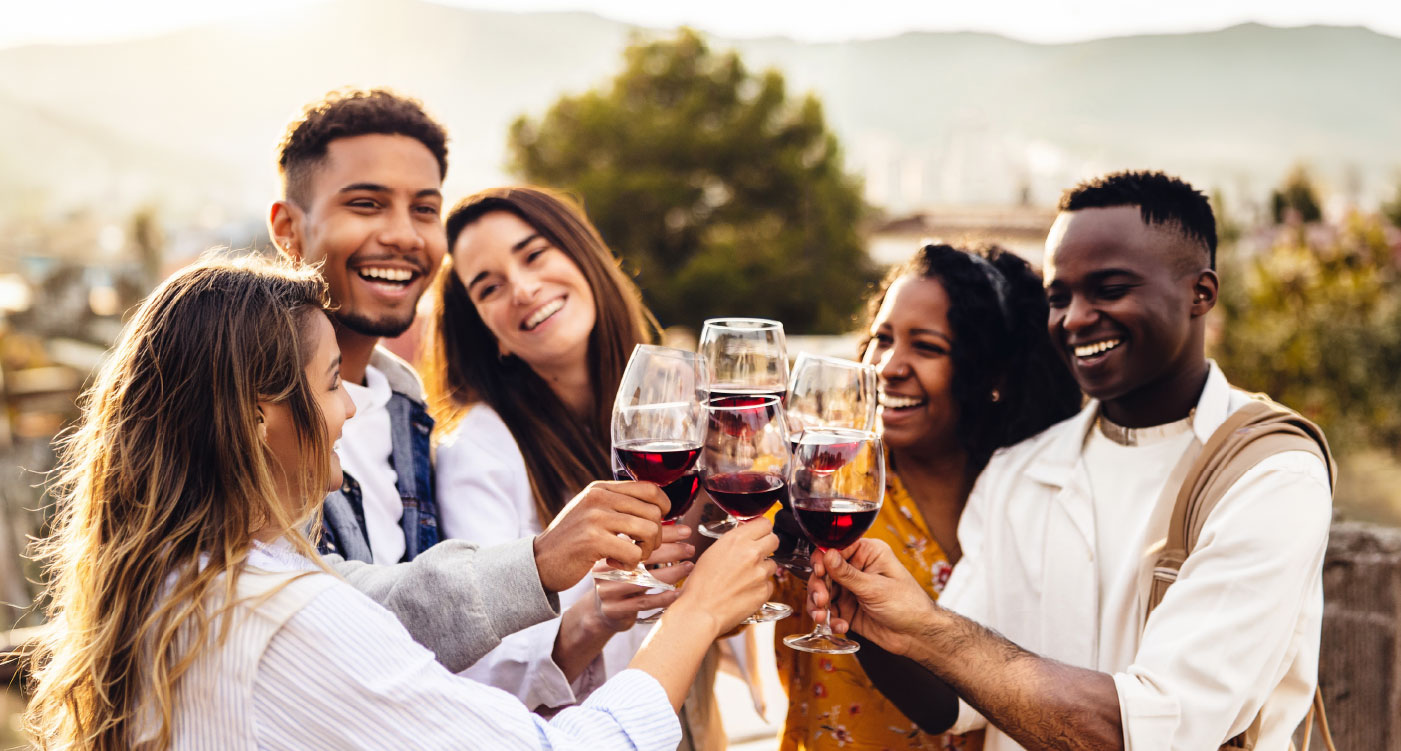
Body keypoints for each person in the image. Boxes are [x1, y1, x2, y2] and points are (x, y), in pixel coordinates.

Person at [25, 257, 780, 750]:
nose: (350, 412)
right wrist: (697, 614)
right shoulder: (280, 615)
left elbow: (397, 639)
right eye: (330, 385)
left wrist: (554, 578)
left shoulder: (179, 577)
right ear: (259, 418)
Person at [808, 171, 1333, 750]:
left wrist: (929, 630)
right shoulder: (1020, 469)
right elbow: (951, 699)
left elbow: (1151, 730)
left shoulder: (1269, 474)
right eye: (1060, 297)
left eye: (1108, 289)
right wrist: (865, 610)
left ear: (1200, 293)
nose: (1076, 318)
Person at [266, 90, 679, 674]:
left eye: (425, 209)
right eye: (366, 204)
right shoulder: (251, 410)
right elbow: (321, 616)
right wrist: (542, 565)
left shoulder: (405, 412)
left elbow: (435, 663)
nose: (404, 235)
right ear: (289, 228)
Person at [421, 186, 721, 737]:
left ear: (584, 257)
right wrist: (594, 616)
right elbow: (485, 672)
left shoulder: (675, 409)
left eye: (534, 255)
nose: (524, 288)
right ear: (491, 334)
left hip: (686, 719)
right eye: (489, 287)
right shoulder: (479, 448)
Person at [771, 243, 1080, 750]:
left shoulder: (1031, 497)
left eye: (928, 347)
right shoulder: (823, 490)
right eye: (882, 338)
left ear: (992, 376)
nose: (890, 366)